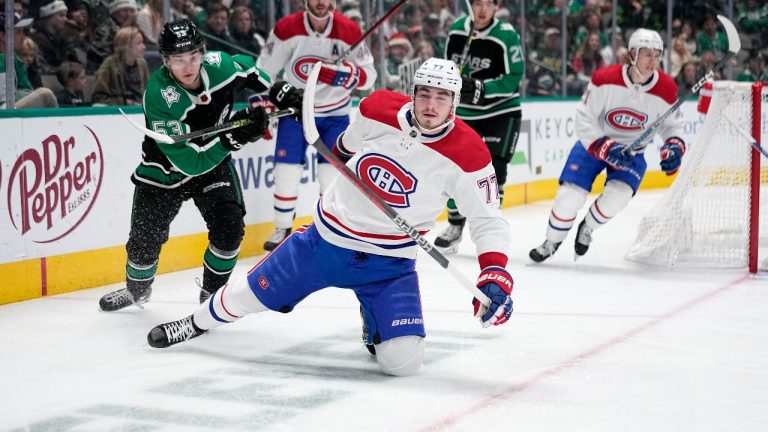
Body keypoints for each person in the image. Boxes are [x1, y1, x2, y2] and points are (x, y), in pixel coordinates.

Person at [145, 58, 514, 377]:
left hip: (390, 264)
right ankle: (193, 323)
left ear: (455, 102)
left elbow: (487, 219)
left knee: (403, 364)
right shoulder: (378, 108)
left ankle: (375, 322)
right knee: (244, 296)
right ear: (412, 91)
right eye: (424, 94)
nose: (431, 105)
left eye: (442, 96)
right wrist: (339, 163)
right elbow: (344, 147)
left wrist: (494, 273)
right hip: (324, 243)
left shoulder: (470, 154)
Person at [97, 19, 302, 311]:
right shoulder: (159, 96)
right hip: (163, 172)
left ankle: (211, 297)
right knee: (143, 244)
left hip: (213, 164)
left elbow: (253, 72)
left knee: (230, 228)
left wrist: (278, 90)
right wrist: (232, 139)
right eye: (178, 60)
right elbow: (191, 162)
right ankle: (137, 290)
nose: (188, 66)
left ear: (203, 52)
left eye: (193, 57)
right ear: (165, 61)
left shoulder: (222, 66)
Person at [529, 29, 685, 262]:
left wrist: (673, 148)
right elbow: (584, 119)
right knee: (568, 197)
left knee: (618, 196)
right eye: (646, 54)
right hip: (594, 144)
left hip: (632, 153)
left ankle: (587, 227)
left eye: (656, 55)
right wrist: (604, 146)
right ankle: (551, 241)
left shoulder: (665, 89)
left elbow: (674, 127)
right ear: (633, 54)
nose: (652, 60)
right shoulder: (605, 79)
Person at [256, 0, 377, 251]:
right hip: (296, 111)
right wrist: (263, 103)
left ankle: (328, 229)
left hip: (335, 114)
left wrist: (347, 75)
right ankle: (282, 227)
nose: (321, 2)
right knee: (286, 172)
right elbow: (264, 70)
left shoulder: (349, 30)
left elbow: (370, 76)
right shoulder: (287, 28)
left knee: (331, 177)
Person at [439, 0, 524, 254]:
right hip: (465, 113)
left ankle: (490, 232)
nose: (483, 9)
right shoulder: (456, 30)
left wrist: (481, 89)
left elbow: (513, 78)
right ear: (470, 5)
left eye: (489, 3)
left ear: (497, 6)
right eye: (478, 3)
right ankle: (455, 225)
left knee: (495, 173)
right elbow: (449, 69)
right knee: (454, 169)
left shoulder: (506, 36)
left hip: (501, 112)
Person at [0, 12, 58, 109]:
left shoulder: (16, 60)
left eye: (23, 31)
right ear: (2, 36)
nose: (23, 36)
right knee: (45, 95)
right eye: (18, 32)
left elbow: (26, 90)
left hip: (11, 109)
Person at [91, 26, 149, 106]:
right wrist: (124, 102)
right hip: (117, 110)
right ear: (126, 46)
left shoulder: (142, 64)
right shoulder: (110, 64)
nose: (144, 47)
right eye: (139, 43)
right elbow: (98, 97)